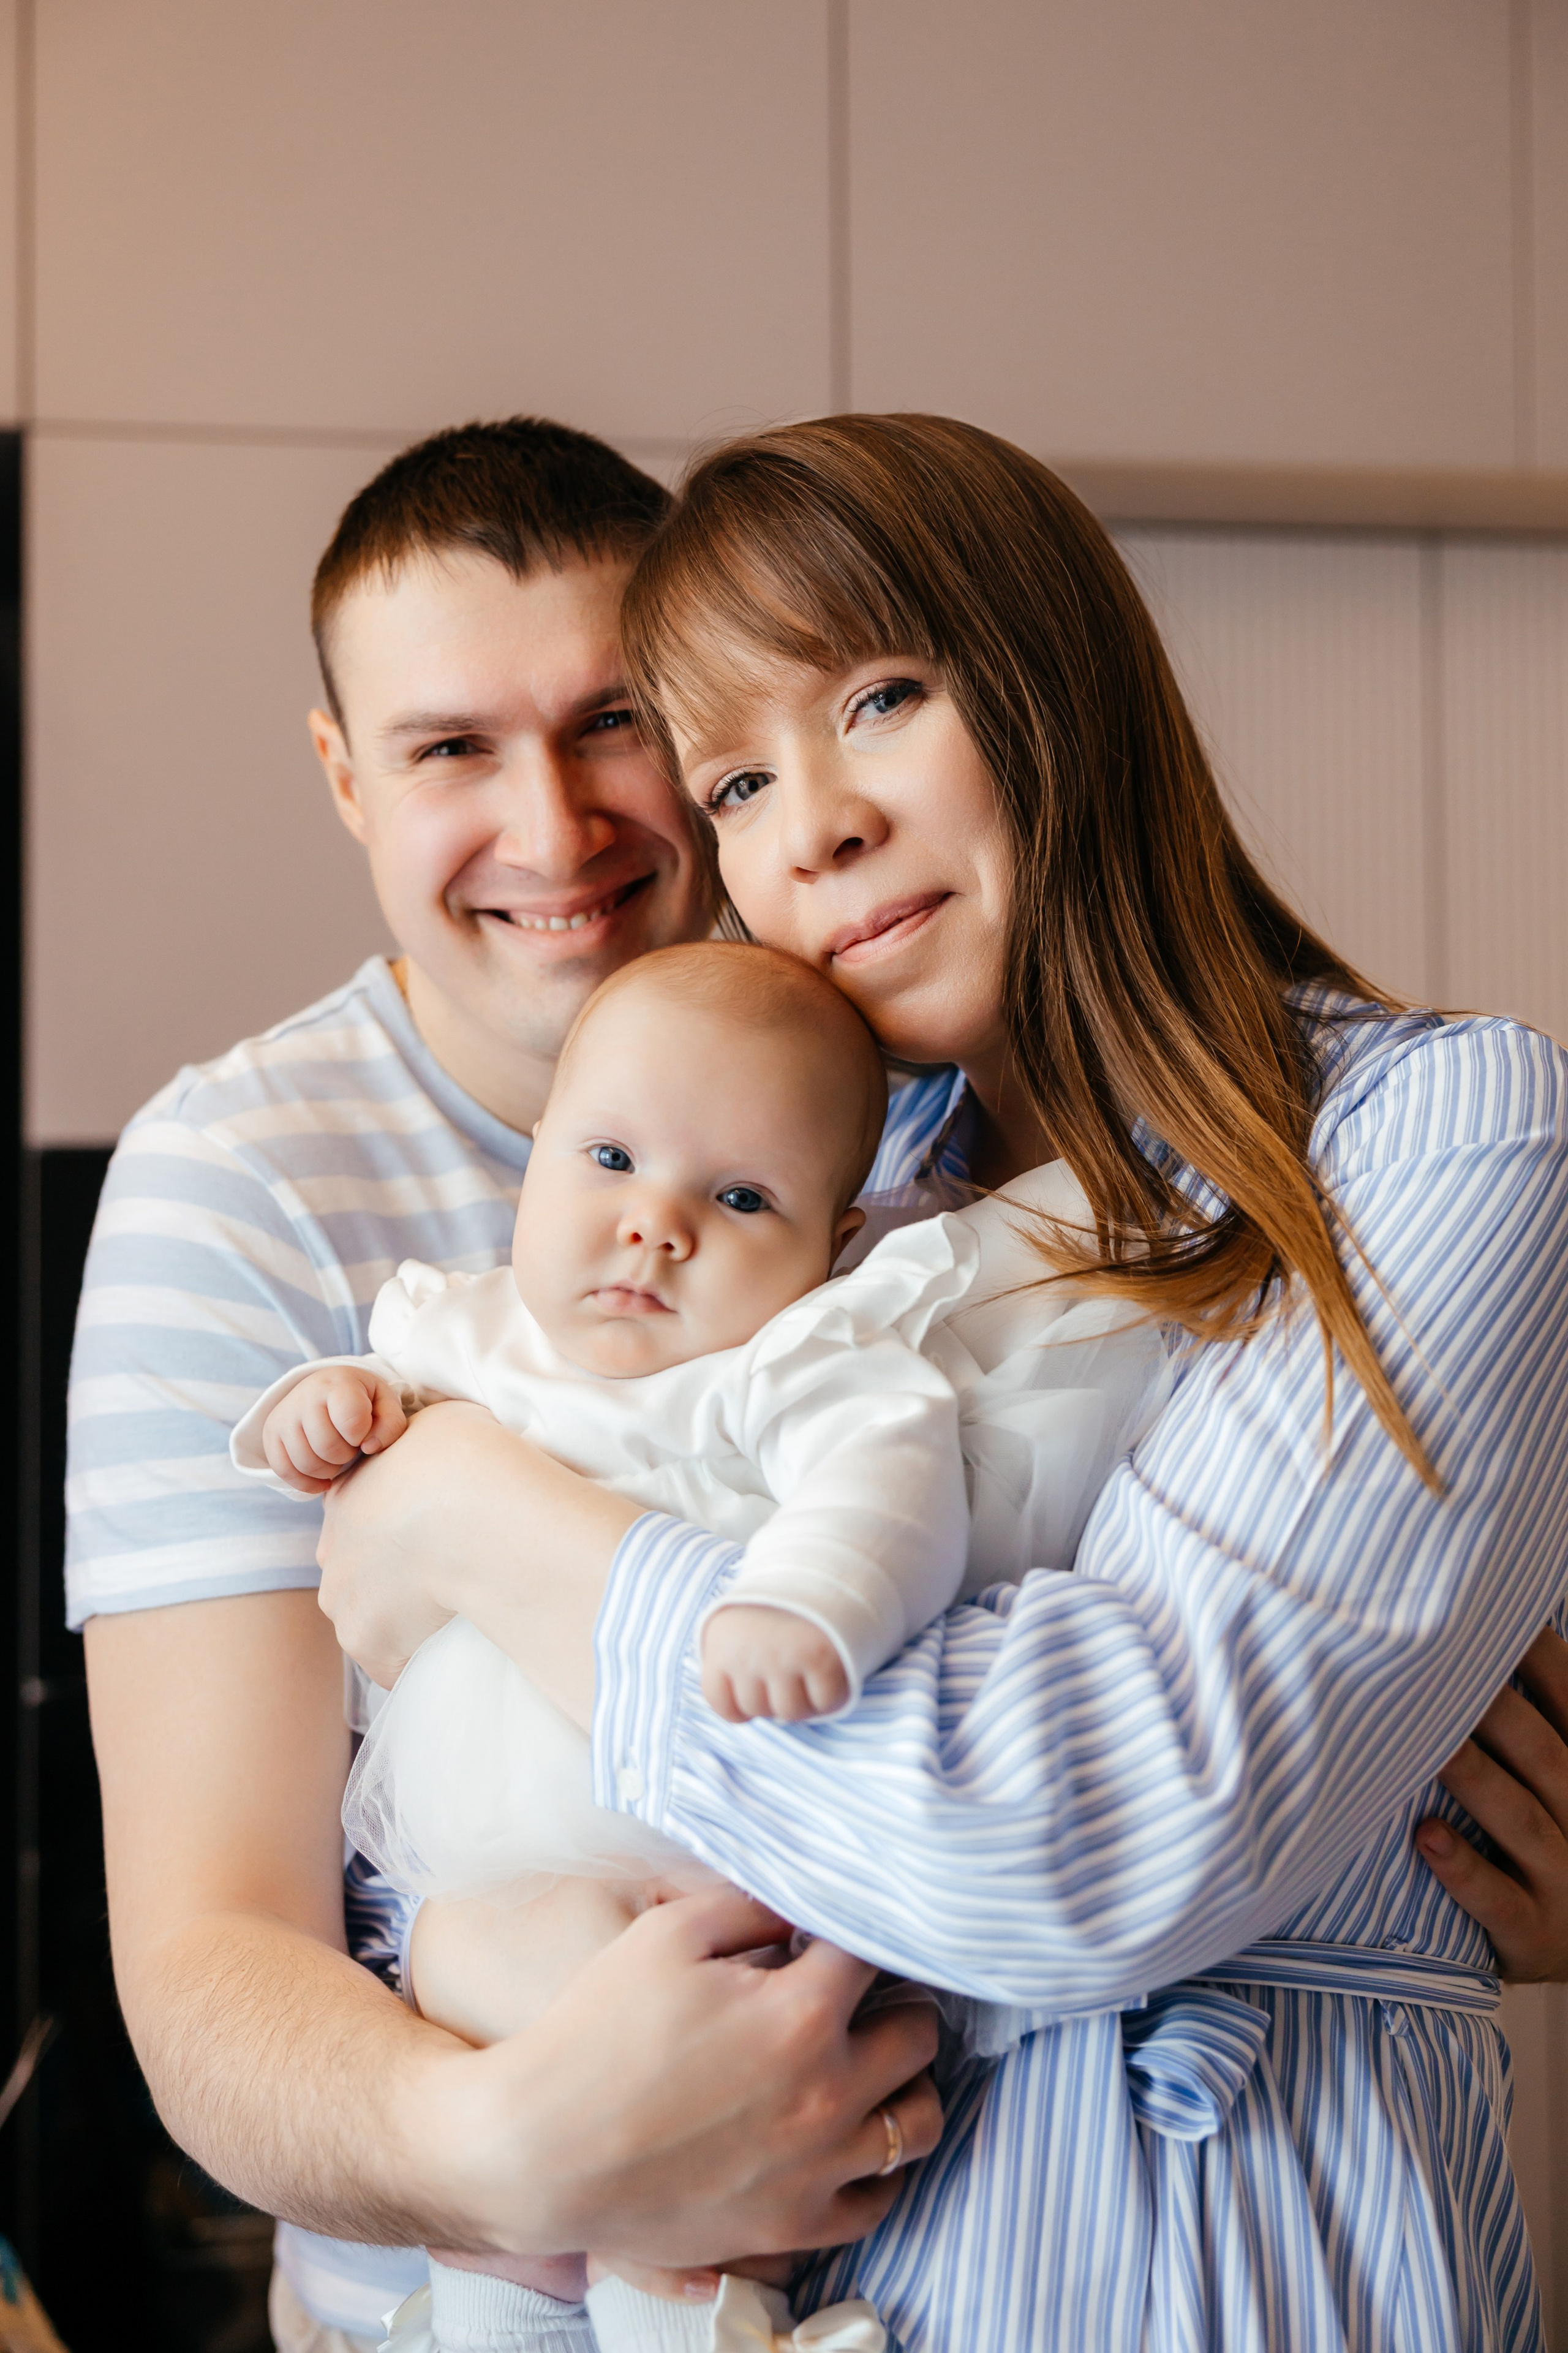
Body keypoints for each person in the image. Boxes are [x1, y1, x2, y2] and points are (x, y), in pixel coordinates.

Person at [315, 414, 1568, 2350]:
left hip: (1238, 2267)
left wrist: (494, 1528)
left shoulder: (1439, 1139)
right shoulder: (805, 1235)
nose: (807, 826)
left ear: (1064, 679)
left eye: (881, 696)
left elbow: (1119, 1819)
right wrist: (484, 1957)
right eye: (735, 776)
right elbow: (489, 1819)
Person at [69, 420, 942, 2353]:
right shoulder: (240, 1185)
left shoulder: (902, 1042)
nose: (555, 834)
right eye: (450, 746)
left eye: (616, 720)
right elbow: (213, 1957)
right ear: (343, 778)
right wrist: (529, 2154)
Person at [233, 936, 1161, 2352]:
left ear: (834, 1244)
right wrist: (326, 1402)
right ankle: (489, 2321)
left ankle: (711, 2323)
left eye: (737, 1197)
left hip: (710, 1875)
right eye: (607, 1160)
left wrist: (808, 1601)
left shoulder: (794, 1360)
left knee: (688, 2149)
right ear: (533, 1155)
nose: (655, 1224)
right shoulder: (471, 1330)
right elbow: (370, 1392)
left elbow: (883, 1479)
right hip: (485, 1869)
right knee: (480, 2061)